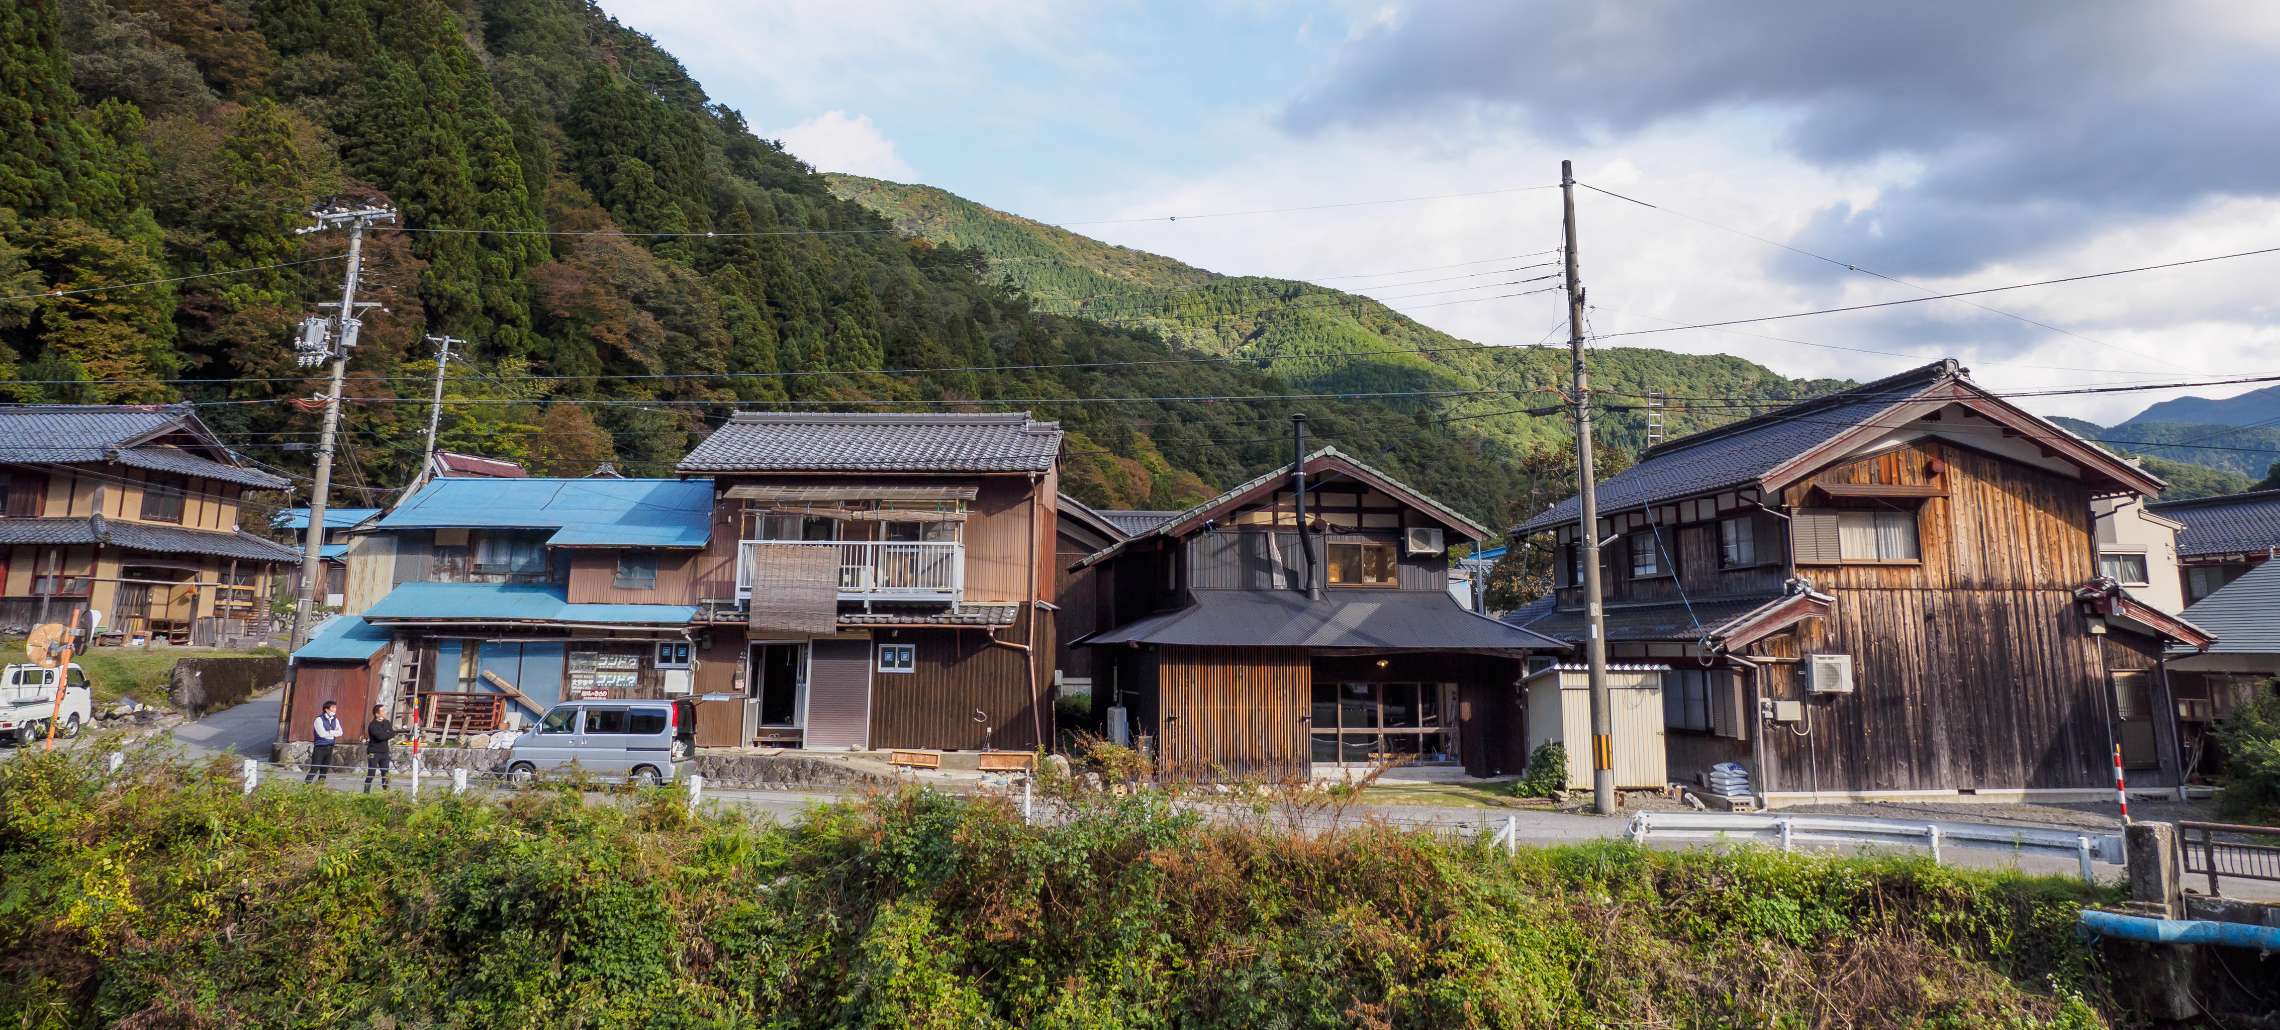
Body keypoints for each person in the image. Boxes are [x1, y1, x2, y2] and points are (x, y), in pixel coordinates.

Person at [362, 704, 396, 793]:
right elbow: (380, 736)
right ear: (377, 714)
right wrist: (386, 733)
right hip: (374, 752)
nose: (385, 713)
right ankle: (366, 792)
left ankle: (386, 793)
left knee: (385, 773)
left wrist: (386, 733)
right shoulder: (372, 725)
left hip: (384, 752)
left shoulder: (387, 722)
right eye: (382, 711)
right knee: (371, 773)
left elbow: (392, 733)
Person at [307, 701, 343, 783]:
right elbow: (322, 734)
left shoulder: (335, 719)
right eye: (333, 708)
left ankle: (320, 789)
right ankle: (306, 786)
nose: (335, 710)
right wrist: (333, 732)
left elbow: (340, 732)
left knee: (324, 770)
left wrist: (330, 732)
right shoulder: (319, 719)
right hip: (320, 748)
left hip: (330, 747)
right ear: (326, 709)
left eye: (335, 708)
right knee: (314, 769)